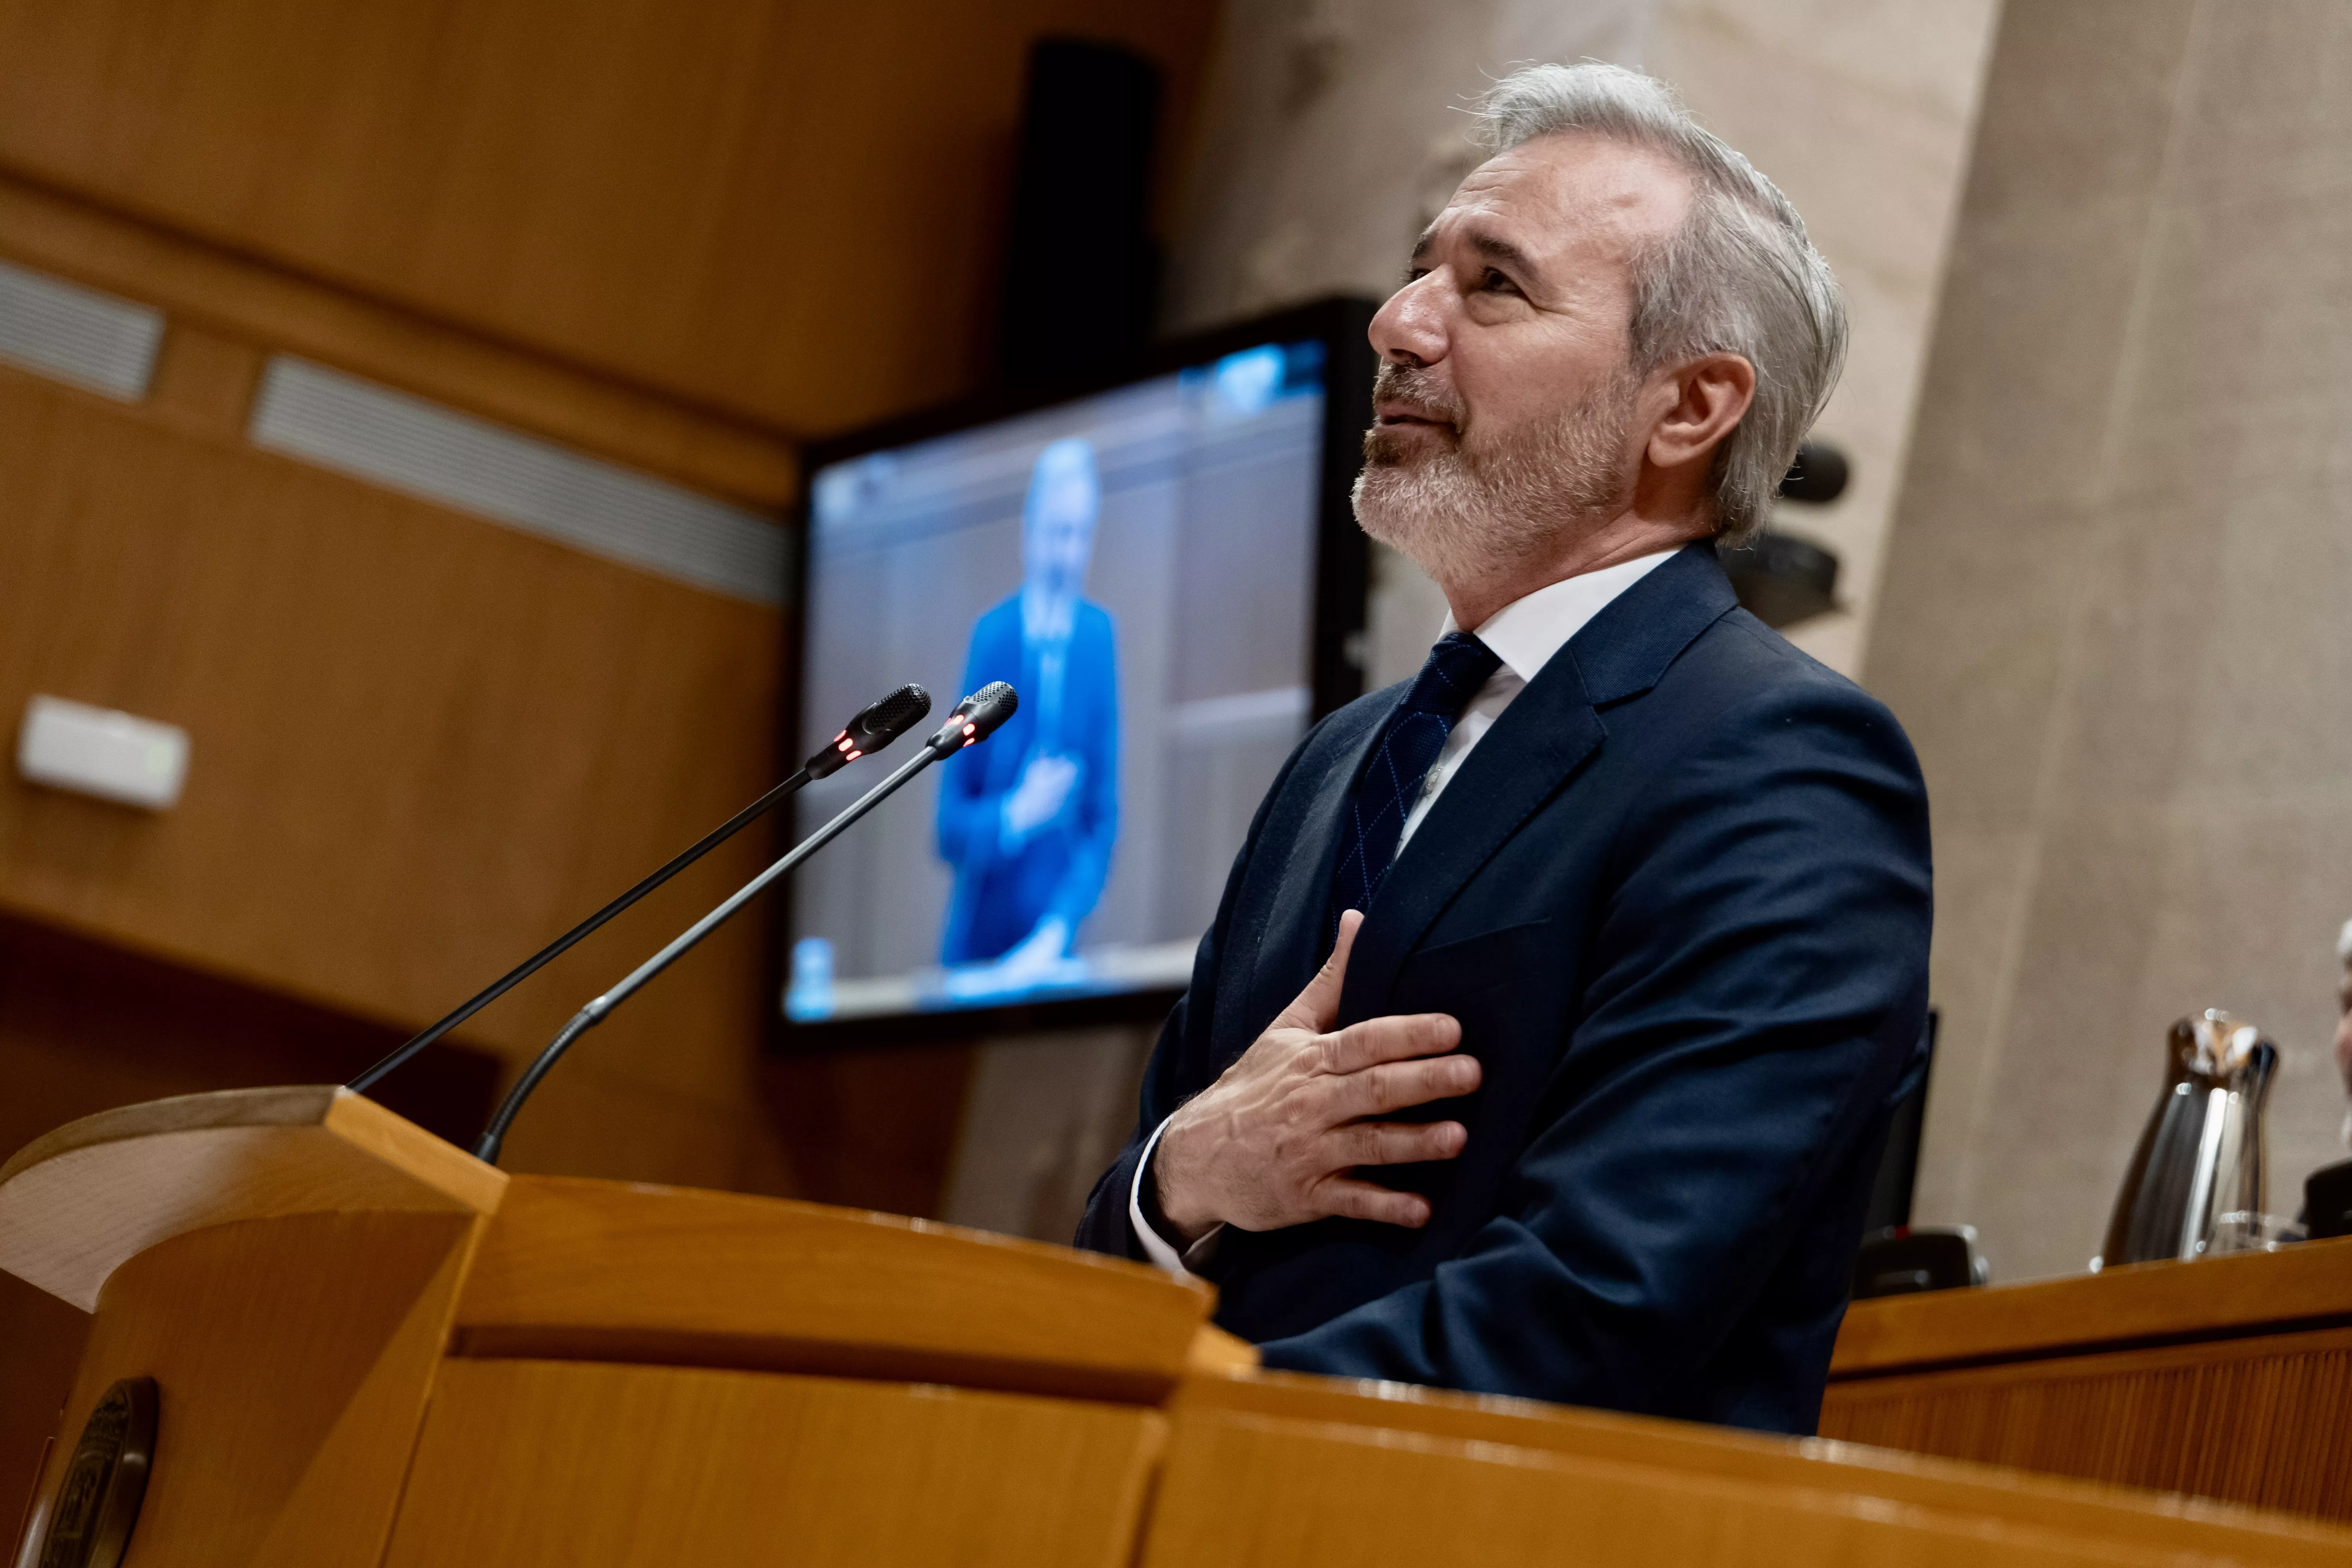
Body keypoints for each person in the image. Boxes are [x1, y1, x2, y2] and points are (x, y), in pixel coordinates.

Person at [1073, 63, 1933, 1437]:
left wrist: (1186, 1410)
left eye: (1494, 287)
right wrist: (1180, 1176)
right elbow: (1166, 1178)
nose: (1399, 322)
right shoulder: (1340, 760)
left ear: (1690, 408)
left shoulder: (1786, 766)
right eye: (1421, 271)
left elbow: (1604, 1298)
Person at [935, 437, 1120, 989]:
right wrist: (1017, 815)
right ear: (1029, 532)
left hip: (1056, 958)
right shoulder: (993, 638)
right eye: (1056, 533)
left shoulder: (1096, 637)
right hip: (976, 957)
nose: (1068, 555)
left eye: (1081, 535)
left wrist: (1058, 932)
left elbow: (1103, 820)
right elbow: (948, 828)